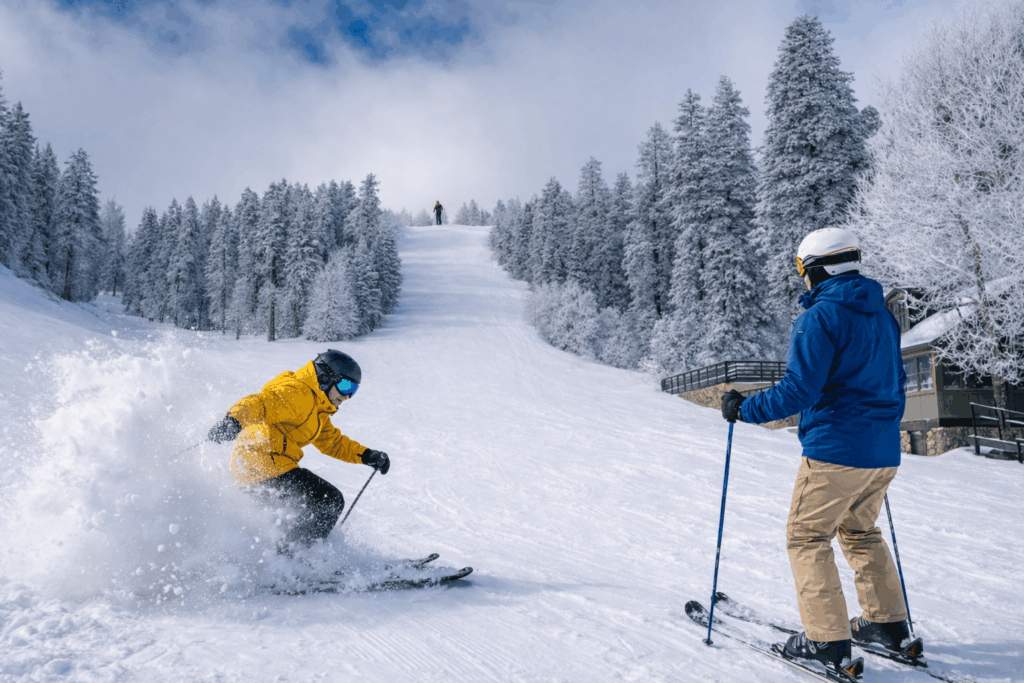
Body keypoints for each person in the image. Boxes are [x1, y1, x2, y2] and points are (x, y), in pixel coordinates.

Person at [720, 228, 914, 675]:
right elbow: (897, 384)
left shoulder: (821, 316)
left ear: (816, 269)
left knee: (806, 537)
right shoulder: (883, 316)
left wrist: (744, 409)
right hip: (881, 453)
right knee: (861, 532)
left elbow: (798, 391)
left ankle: (826, 642)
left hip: (834, 451)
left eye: (802, 270)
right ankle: (887, 625)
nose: (802, 279)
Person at [207, 350, 391, 551]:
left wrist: (366, 455)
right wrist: (233, 420)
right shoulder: (297, 393)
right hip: (260, 465)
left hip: (269, 468)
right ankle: (295, 561)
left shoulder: (318, 411)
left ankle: (281, 561)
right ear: (325, 377)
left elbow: (333, 442)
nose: (347, 396)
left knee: (306, 509)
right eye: (345, 385)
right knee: (327, 500)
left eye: (353, 390)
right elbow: (259, 403)